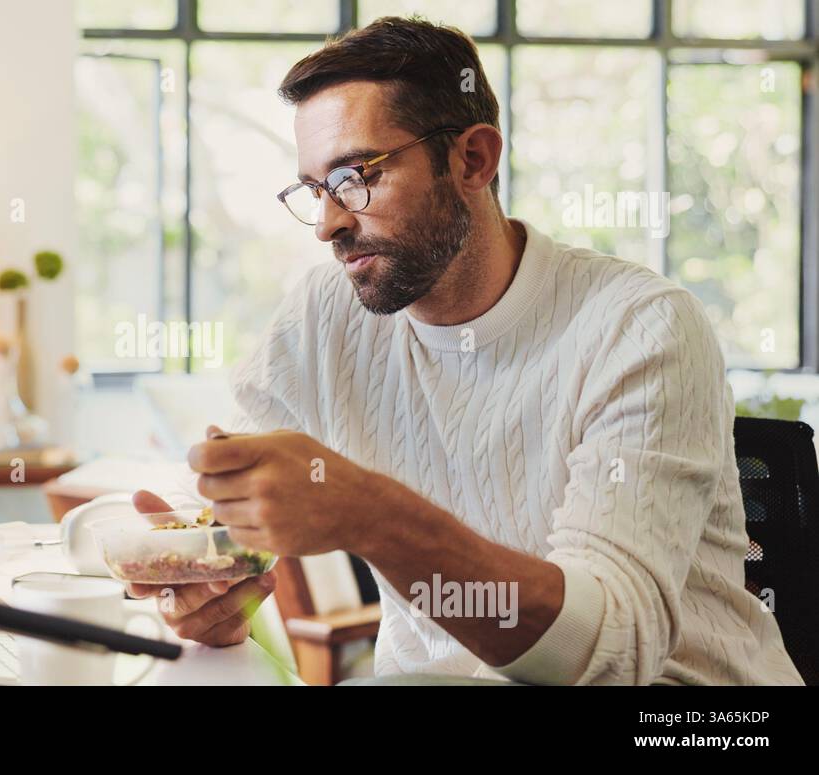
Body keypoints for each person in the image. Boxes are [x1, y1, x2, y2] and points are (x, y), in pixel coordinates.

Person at [130, 16, 803, 685]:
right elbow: (225, 513)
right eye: (315, 191)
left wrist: (371, 513)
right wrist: (208, 581)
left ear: (473, 160)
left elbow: (611, 653)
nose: (329, 223)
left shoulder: (641, 327)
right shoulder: (322, 314)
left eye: (356, 176)